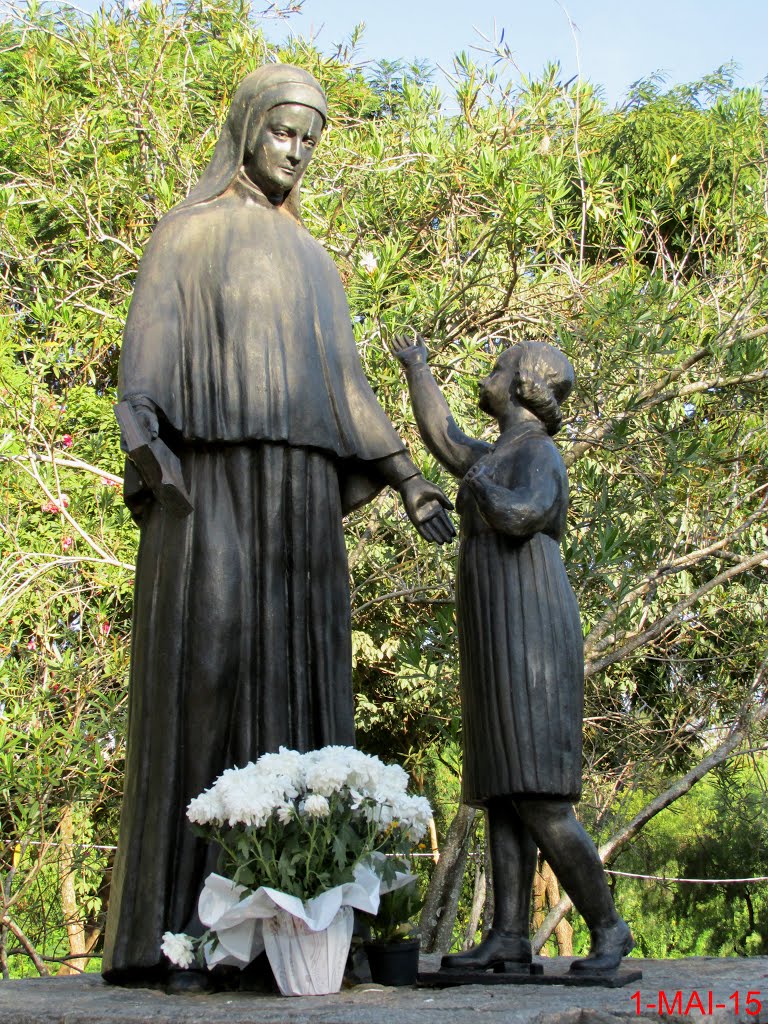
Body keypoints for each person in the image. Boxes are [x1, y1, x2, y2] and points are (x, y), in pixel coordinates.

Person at [103, 65, 454, 990]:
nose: (296, 150)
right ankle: (179, 934)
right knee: (204, 678)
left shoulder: (315, 262)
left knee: (301, 690)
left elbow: (347, 387)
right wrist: (146, 443)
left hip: (301, 501)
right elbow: (144, 367)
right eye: (284, 131)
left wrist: (410, 477)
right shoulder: (186, 234)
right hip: (213, 482)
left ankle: (298, 935)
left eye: (311, 137)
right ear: (249, 126)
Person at [392, 335, 633, 973]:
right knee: (503, 788)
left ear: (525, 385)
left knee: (540, 795)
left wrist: (478, 490)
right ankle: (508, 936)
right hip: (496, 636)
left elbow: (526, 514)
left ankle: (609, 928)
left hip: (531, 636)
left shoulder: (538, 453)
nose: (488, 374)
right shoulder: (497, 453)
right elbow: (443, 437)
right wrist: (418, 370)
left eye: (499, 367)